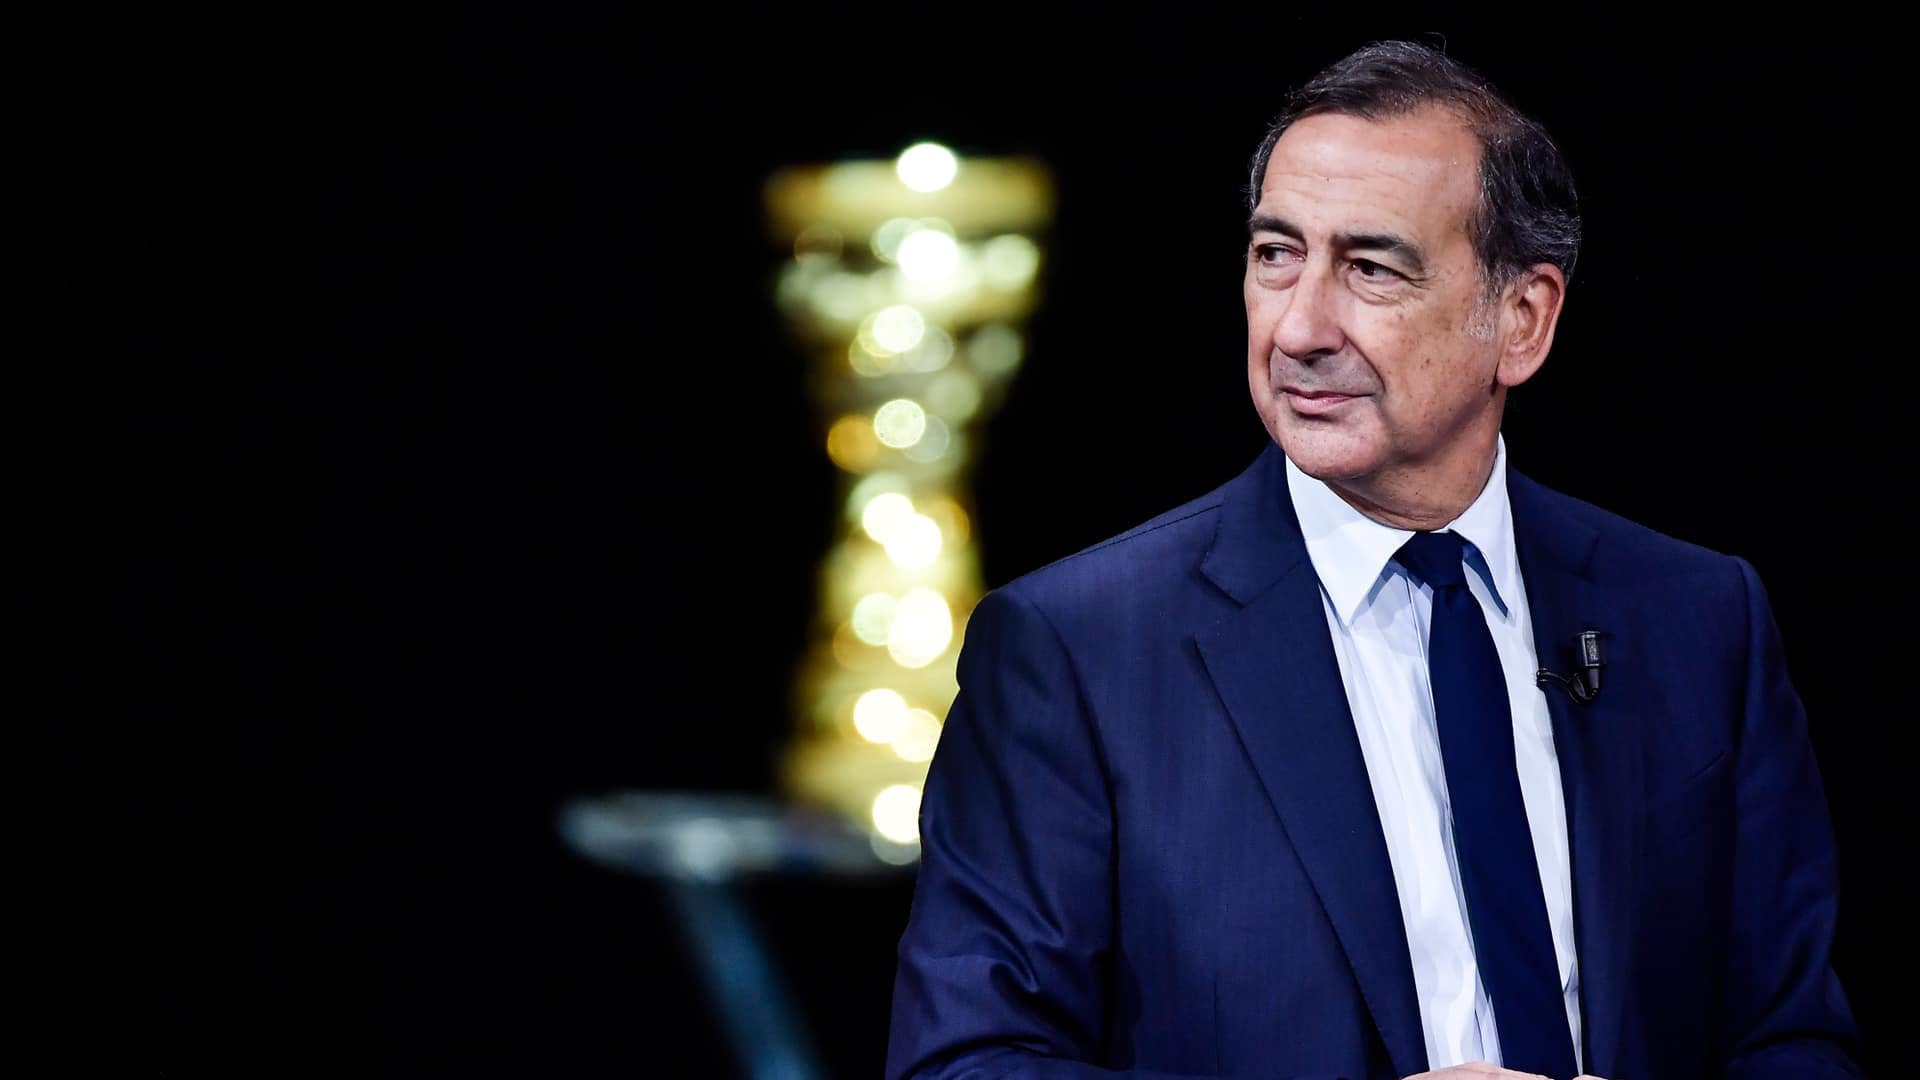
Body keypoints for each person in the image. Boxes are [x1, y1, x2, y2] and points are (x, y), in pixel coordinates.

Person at [883, 40, 1861, 1080]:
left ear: (1522, 320)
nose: (1300, 327)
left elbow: (1792, 1040)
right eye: (1276, 254)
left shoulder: (1698, 619)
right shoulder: (1077, 650)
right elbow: (968, 1063)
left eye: (1371, 269)